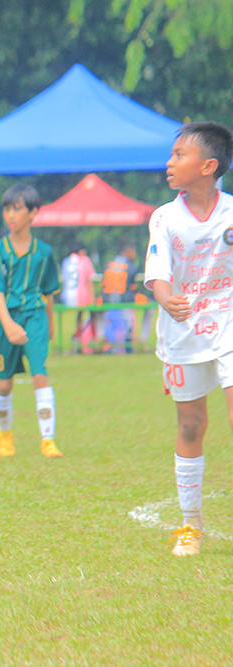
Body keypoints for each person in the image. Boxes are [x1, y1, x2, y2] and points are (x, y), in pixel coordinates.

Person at [143, 121, 233, 557]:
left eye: (180, 155)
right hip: (183, 332)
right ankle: (191, 525)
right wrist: (166, 298)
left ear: (209, 166)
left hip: (230, 324)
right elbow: (157, 275)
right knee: (191, 424)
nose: (169, 162)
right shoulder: (164, 217)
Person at [0, 183, 62, 459]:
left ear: (33, 213)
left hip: (35, 316)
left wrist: (50, 324)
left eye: (16, 209)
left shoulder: (45, 252)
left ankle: (47, 440)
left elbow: (49, 291)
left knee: (40, 373)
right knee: (4, 383)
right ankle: (4, 434)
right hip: (5, 319)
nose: (10, 215)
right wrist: (8, 326)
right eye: (6, 209)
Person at [101, 242, 140, 353]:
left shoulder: (109, 263)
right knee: (128, 323)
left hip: (107, 300)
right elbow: (132, 286)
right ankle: (127, 346)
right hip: (124, 300)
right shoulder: (131, 265)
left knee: (110, 324)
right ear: (129, 251)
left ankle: (109, 346)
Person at [60, 242, 97, 352]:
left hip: (67, 296)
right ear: (81, 252)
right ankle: (91, 340)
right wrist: (93, 298)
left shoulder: (66, 261)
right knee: (92, 314)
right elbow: (90, 280)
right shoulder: (85, 260)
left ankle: (77, 339)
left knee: (79, 316)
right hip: (82, 295)